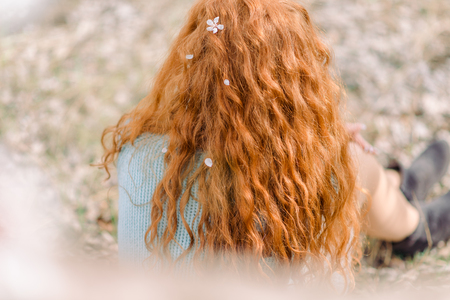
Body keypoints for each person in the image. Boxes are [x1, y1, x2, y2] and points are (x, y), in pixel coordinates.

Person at [99, 0, 450, 288]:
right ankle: (412, 224)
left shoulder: (137, 151)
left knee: (344, 162)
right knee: (354, 164)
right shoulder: (308, 176)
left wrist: (318, 142)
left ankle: (397, 186)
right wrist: (323, 143)